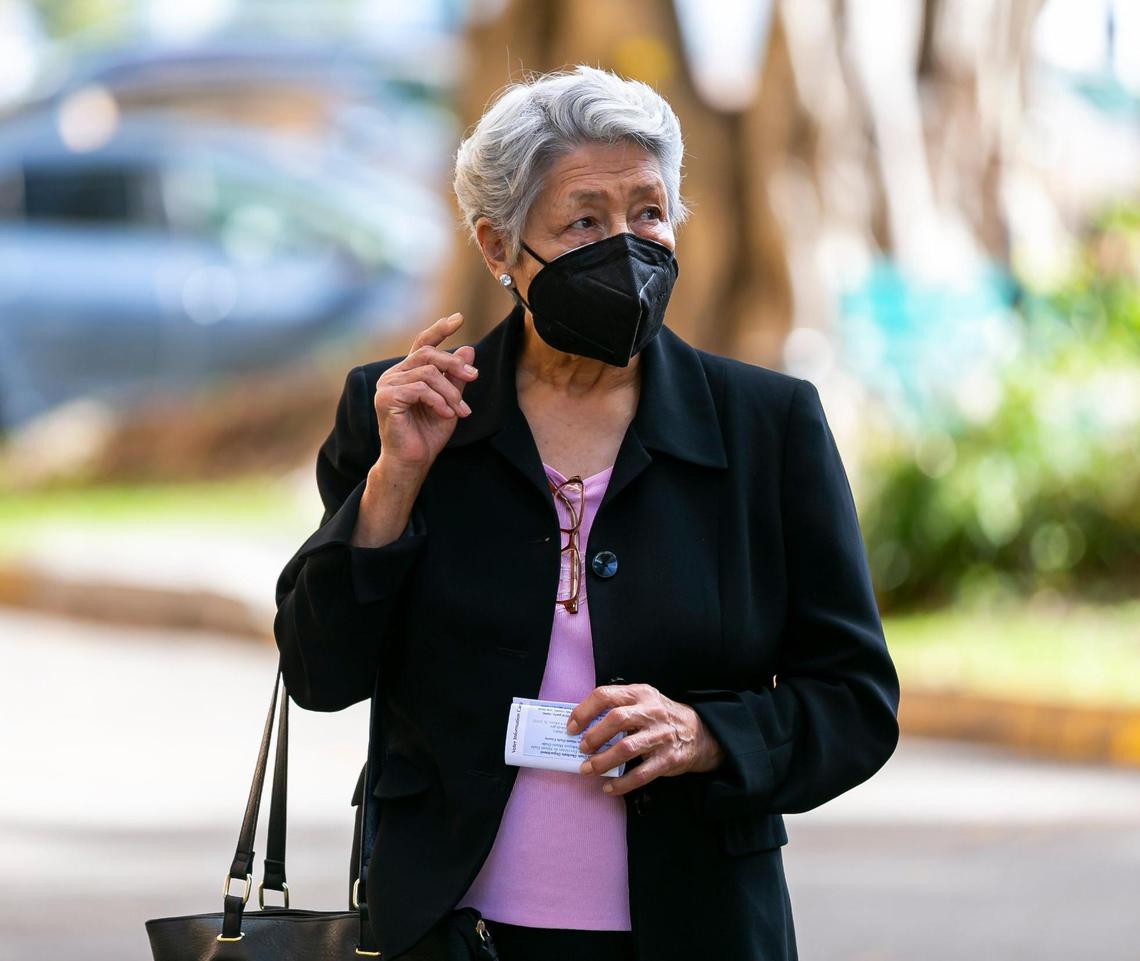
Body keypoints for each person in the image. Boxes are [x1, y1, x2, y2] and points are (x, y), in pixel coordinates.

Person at [274, 64, 900, 961]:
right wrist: (394, 481)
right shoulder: (402, 412)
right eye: (584, 221)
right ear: (498, 247)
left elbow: (855, 699)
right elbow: (320, 670)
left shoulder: (768, 426)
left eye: (649, 212)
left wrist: (709, 734)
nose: (629, 244)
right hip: (446, 931)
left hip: (696, 930)